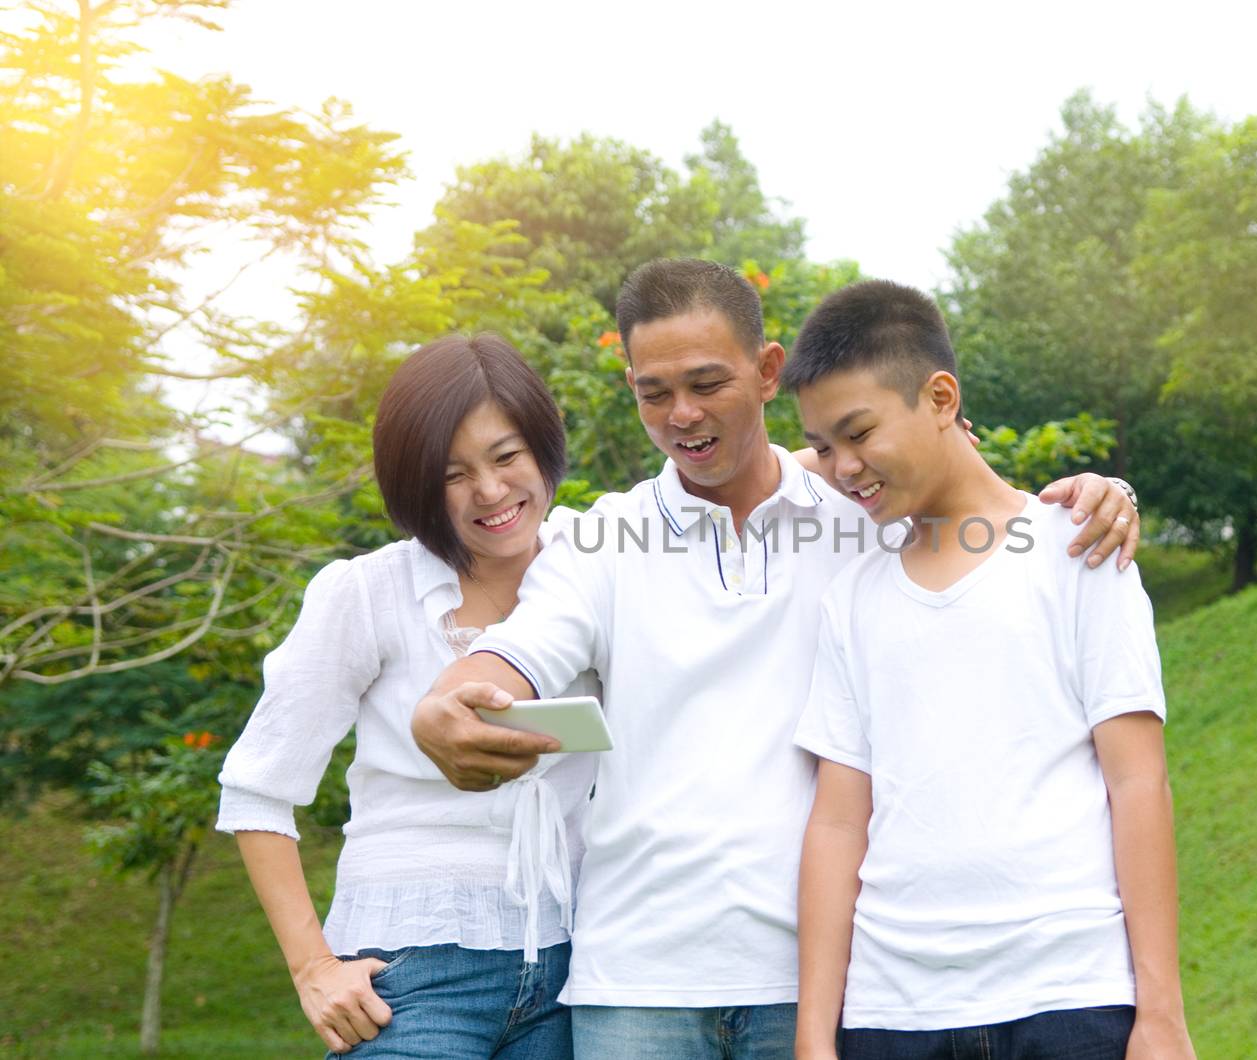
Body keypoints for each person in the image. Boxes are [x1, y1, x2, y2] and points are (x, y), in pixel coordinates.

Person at [411, 259, 1143, 1060]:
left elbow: (969, 505)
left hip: (827, 984)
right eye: (654, 392)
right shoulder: (598, 542)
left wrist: (1099, 494)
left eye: (706, 383)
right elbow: (515, 654)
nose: (681, 414)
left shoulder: (864, 515)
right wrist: (443, 704)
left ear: (767, 373)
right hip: (640, 986)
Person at [784, 279, 1194, 1060]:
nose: (841, 467)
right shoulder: (854, 599)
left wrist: (1161, 1013)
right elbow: (838, 822)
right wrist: (814, 1036)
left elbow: (1137, 782)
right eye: (824, 447)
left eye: (858, 432)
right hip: (893, 1012)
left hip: (1069, 997)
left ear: (942, 398)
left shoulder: (1079, 550)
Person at [216, 334, 598, 1058]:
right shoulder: (365, 594)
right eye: (454, 474)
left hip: (577, 970)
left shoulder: (599, 561)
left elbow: (730, 501)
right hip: (412, 976)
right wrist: (313, 968)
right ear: (415, 484)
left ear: (545, 447)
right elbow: (257, 790)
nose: (490, 491)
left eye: (507, 456)